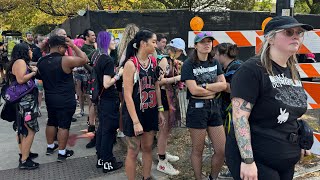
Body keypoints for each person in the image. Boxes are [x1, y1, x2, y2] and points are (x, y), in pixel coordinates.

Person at [225, 16, 313, 180]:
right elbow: (240, 119)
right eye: (288, 32)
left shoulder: (292, 71)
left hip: (286, 158)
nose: (296, 36)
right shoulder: (252, 70)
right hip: (258, 160)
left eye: (299, 33)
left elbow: (289, 109)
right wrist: (248, 160)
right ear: (270, 38)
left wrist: (299, 134)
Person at [181, 32, 227, 180]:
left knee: (221, 149)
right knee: (198, 149)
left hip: (214, 107)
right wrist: (214, 87)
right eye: (203, 42)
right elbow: (193, 90)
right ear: (195, 46)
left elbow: (224, 84)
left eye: (209, 42)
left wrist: (205, 86)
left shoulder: (214, 62)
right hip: (197, 108)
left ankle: (213, 177)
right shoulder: (189, 64)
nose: (207, 44)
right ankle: (198, 178)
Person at [37, 35, 88, 162]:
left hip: (50, 98)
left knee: (51, 121)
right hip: (65, 98)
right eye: (65, 48)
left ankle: (50, 147)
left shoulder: (41, 61)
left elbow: (39, 77)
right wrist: (74, 45)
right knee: (64, 125)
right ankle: (62, 152)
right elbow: (84, 59)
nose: (66, 50)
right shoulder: (65, 60)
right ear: (60, 47)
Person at [123, 30, 165, 180]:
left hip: (150, 110)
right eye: (153, 42)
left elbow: (157, 86)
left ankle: (146, 177)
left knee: (147, 148)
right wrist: (135, 122)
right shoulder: (130, 64)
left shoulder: (153, 62)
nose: (156, 45)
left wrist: (160, 109)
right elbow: (127, 95)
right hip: (135, 113)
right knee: (133, 151)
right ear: (143, 43)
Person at [156, 38, 187, 175]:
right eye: (180, 51)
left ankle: (162, 153)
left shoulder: (173, 61)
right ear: (175, 50)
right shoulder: (164, 60)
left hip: (171, 97)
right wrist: (177, 78)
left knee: (167, 129)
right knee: (163, 130)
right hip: (164, 98)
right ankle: (162, 162)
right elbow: (159, 82)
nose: (180, 54)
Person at [6, 43, 40, 169]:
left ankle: (24, 153)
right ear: (24, 51)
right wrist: (33, 73)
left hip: (20, 101)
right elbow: (21, 80)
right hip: (25, 101)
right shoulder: (20, 62)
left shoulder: (15, 62)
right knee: (30, 129)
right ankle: (25, 160)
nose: (31, 52)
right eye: (30, 50)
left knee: (22, 128)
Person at [94, 31, 124, 173]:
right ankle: (108, 161)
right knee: (109, 130)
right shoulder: (107, 59)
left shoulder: (99, 58)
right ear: (107, 42)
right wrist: (119, 75)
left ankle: (101, 158)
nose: (115, 42)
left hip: (101, 100)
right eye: (113, 39)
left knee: (102, 130)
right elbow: (107, 83)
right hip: (108, 99)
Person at [214, 43, 242, 179]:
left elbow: (234, 88)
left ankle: (235, 170)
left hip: (234, 111)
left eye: (216, 54)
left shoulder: (237, 67)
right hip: (226, 109)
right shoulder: (228, 67)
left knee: (234, 141)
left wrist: (218, 84)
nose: (214, 56)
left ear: (223, 55)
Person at [117, 23, 139, 138]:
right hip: (131, 77)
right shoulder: (134, 47)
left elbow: (120, 63)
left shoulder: (121, 47)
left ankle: (121, 129)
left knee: (124, 104)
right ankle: (129, 128)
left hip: (121, 79)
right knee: (130, 102)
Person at [81, 29, 98, 148]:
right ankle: (92, 128)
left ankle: (92, 126)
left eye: (95, 35)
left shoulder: (93, 47)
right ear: (86, 37)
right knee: (92, 103)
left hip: (96, 78)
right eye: (92, 35)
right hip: (90, 79)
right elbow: (86, 62)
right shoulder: (85, 49)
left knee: (93, 104)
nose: (94, 37)